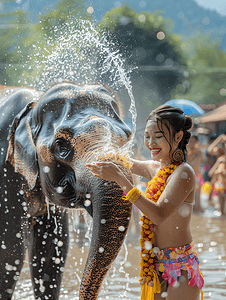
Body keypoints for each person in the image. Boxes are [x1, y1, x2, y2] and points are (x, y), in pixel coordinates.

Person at [86, 105, 204, 300]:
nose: (151, 143)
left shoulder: (183, 172)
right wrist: (100, 149)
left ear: (177, 136)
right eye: (147, 136)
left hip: (180, 268)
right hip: (153, 265)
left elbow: (158, 214)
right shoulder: (154, 168)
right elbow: (122, 161)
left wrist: (121, 179)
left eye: (158, 136)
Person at [187, 135, 204, 212]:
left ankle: (198, 206)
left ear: (197, 142)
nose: (191, 143)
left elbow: (195, 164)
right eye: (190, 141)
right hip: (188, 175)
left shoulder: (199, 152)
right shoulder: (185, 152)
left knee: (198, 194)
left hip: (197, 175)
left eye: (193, 141)